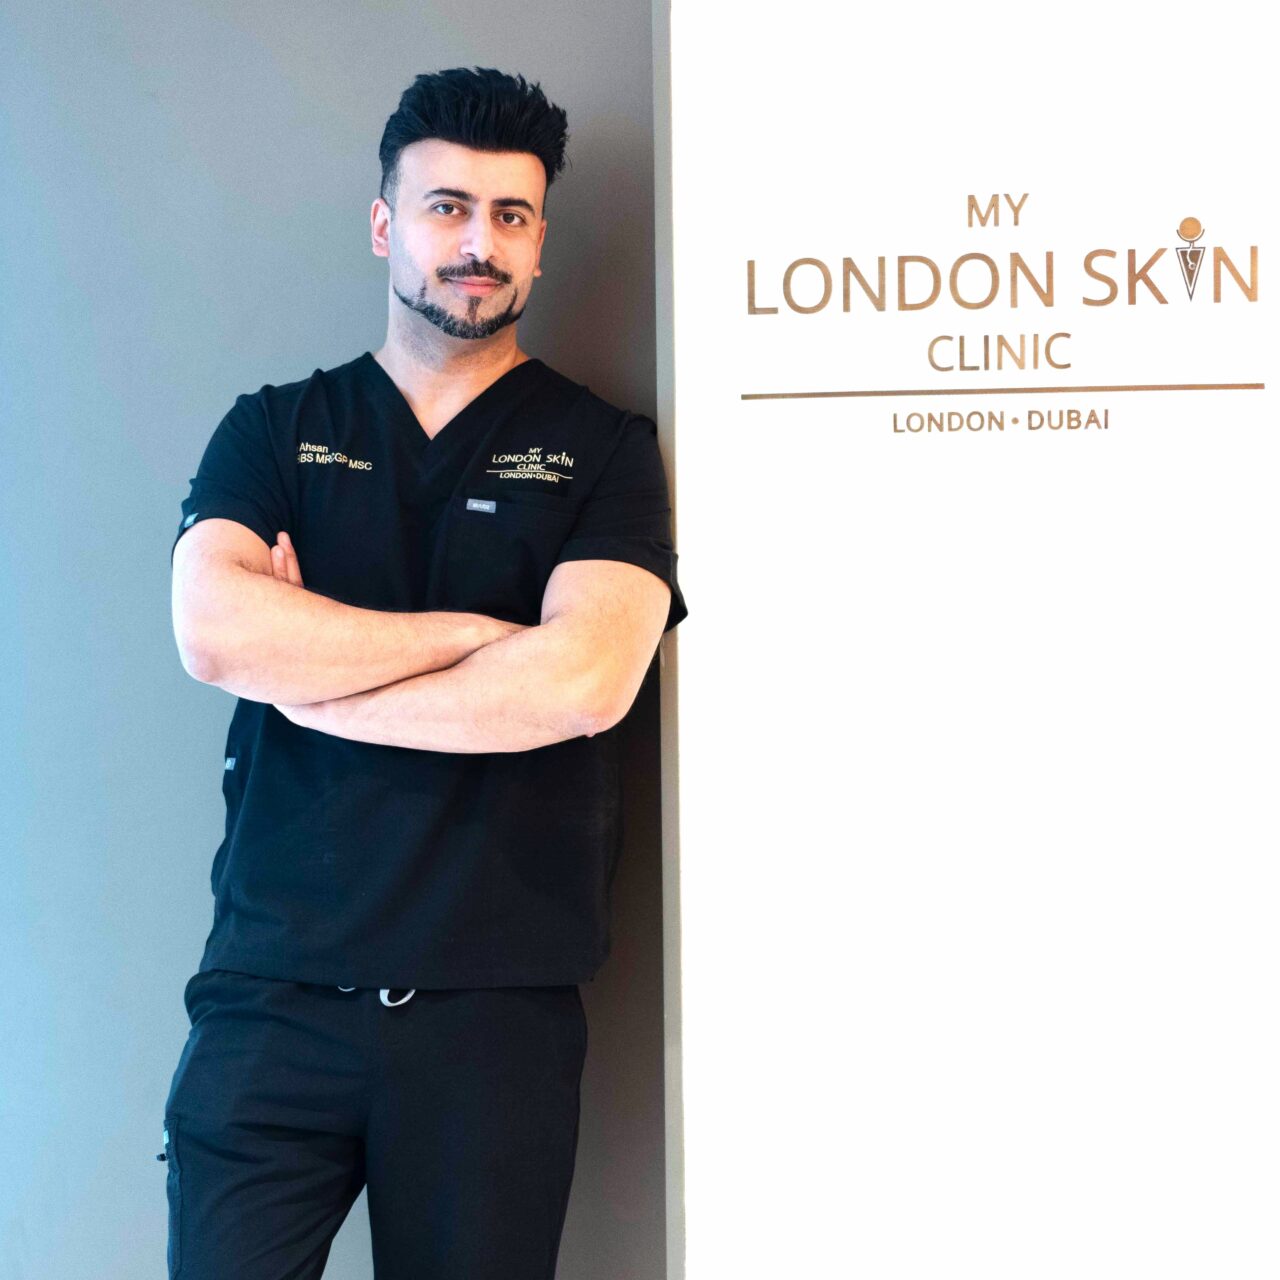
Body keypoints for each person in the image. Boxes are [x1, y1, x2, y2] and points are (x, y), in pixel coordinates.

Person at [159, 66, 688, 1279]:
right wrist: (477, 634)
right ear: (384, 224)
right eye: (446, 208)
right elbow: (214, 632)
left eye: (510, 215)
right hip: (270, 993)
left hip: (491, 1016)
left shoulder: (604, 451)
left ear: (540, 242)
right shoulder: (274, 428)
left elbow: (583, 682)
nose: (476, 244)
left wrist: (311, 673)